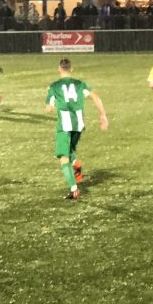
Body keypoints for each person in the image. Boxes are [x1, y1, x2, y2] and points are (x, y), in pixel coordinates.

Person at [45, 58, 108, 200]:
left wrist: (49, 96)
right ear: (71, 69)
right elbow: (96, 97)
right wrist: (103, 115)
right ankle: (76, 164)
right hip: (78, 125)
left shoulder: (54, 86)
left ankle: (74, 189)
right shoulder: (80, 84)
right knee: (68, 150)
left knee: (63, 157)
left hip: (64, 126)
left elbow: (48, 109)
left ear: (59, 69)